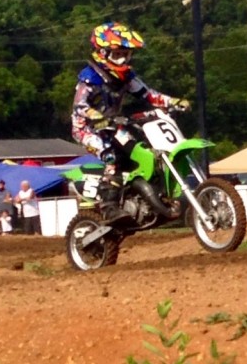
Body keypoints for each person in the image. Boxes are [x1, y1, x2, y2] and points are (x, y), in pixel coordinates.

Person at [71, 21, 189, 221]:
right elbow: (79, 106)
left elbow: (148, 95)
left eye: (126, 54)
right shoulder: (90, 77)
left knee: (142, 153)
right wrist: (96, 115)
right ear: (103, 53)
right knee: (111, 156)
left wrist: (173, 101)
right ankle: (109, 208)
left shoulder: (127, 77)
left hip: (112, 125)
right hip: (87, 128)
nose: (123, 59)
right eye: (117, 54)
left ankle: (144, 197)